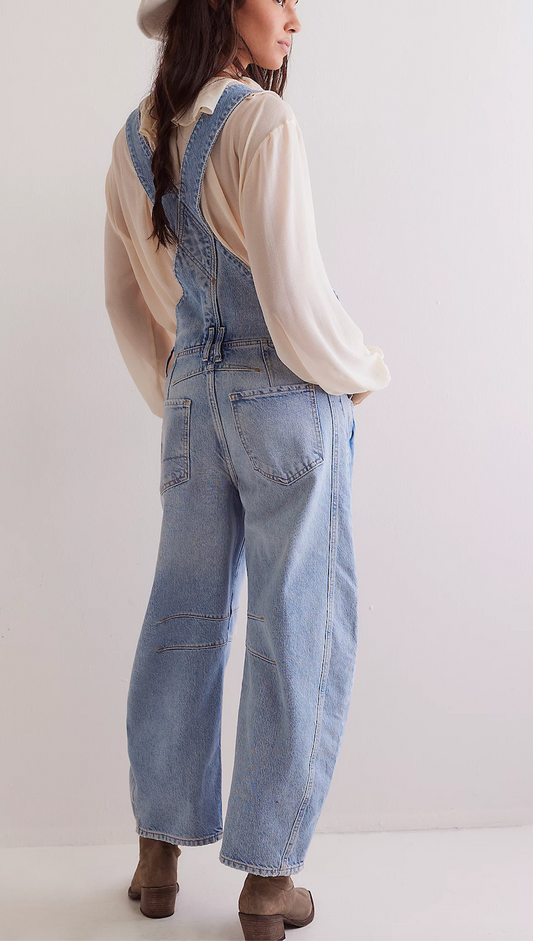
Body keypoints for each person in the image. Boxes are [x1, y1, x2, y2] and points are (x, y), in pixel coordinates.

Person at [104, 0, 391, 937]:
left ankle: (157, 852)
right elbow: (293, 296)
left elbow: (128, 296)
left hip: (193, 401)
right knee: (295, 622)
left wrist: (183, 390)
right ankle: (269, 880)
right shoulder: (261, 122)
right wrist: (360, 371)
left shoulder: (134, 139)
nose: (295, 19)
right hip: (283, 400)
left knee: (181, 615)